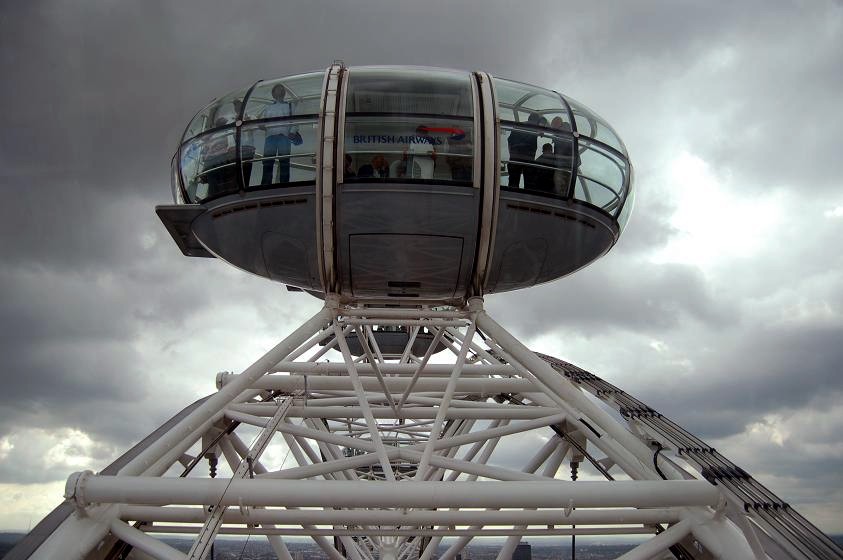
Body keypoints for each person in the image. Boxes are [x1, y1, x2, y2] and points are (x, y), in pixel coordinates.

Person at [260, 84, 301, 185]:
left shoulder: (290, 105)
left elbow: (295, 121)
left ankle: (283, 185)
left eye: (281, 90)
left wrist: (291, 132)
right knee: (268, 163)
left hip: (283, 137)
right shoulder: (268, 107)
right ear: (273, 94)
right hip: (271, 137)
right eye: (277, 90)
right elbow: (262, 122)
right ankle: (266, 185)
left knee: (284, 162)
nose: (280, 91)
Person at [507, 112, 541, 188]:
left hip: (515, 158)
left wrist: (512, 155)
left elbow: (509, 141)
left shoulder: (518, 126)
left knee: (513, 183)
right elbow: (541, 132)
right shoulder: (535, 127)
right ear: (536, 121)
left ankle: (512, 196)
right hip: (528, 159)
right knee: (529, 184)